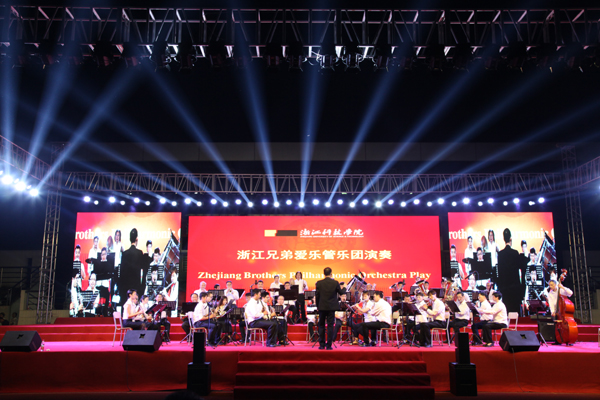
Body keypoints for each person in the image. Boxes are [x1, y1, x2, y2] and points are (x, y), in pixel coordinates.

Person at [497, 228, 527, 313]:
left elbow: (499, 272)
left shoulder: (500, 254)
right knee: (515, 312)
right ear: (510, 238)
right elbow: (522, 267)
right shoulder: (515, 253)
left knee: (507, 311)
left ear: (504, 239)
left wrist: (501, 287)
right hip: (514, 289)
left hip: (505, 289)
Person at [315, 267, 343, 350]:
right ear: (331, 273)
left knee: (321, 325)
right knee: (330, 326)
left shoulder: (319, 283)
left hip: (322, 307)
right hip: (331, 307)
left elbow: (317, 295)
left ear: (324, 273)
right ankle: (329, 345)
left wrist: (318, 306)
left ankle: (322, 345)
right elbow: (341, 293)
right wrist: (344, 287)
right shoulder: (335, 283)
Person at [119, 228, 147, 306]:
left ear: (130, 239)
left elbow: (121, 273)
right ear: (136, 239)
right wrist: (142, 287)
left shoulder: (124, 254)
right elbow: (143, 271)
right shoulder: (139, 253)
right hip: (136, 287)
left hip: (126, 288)